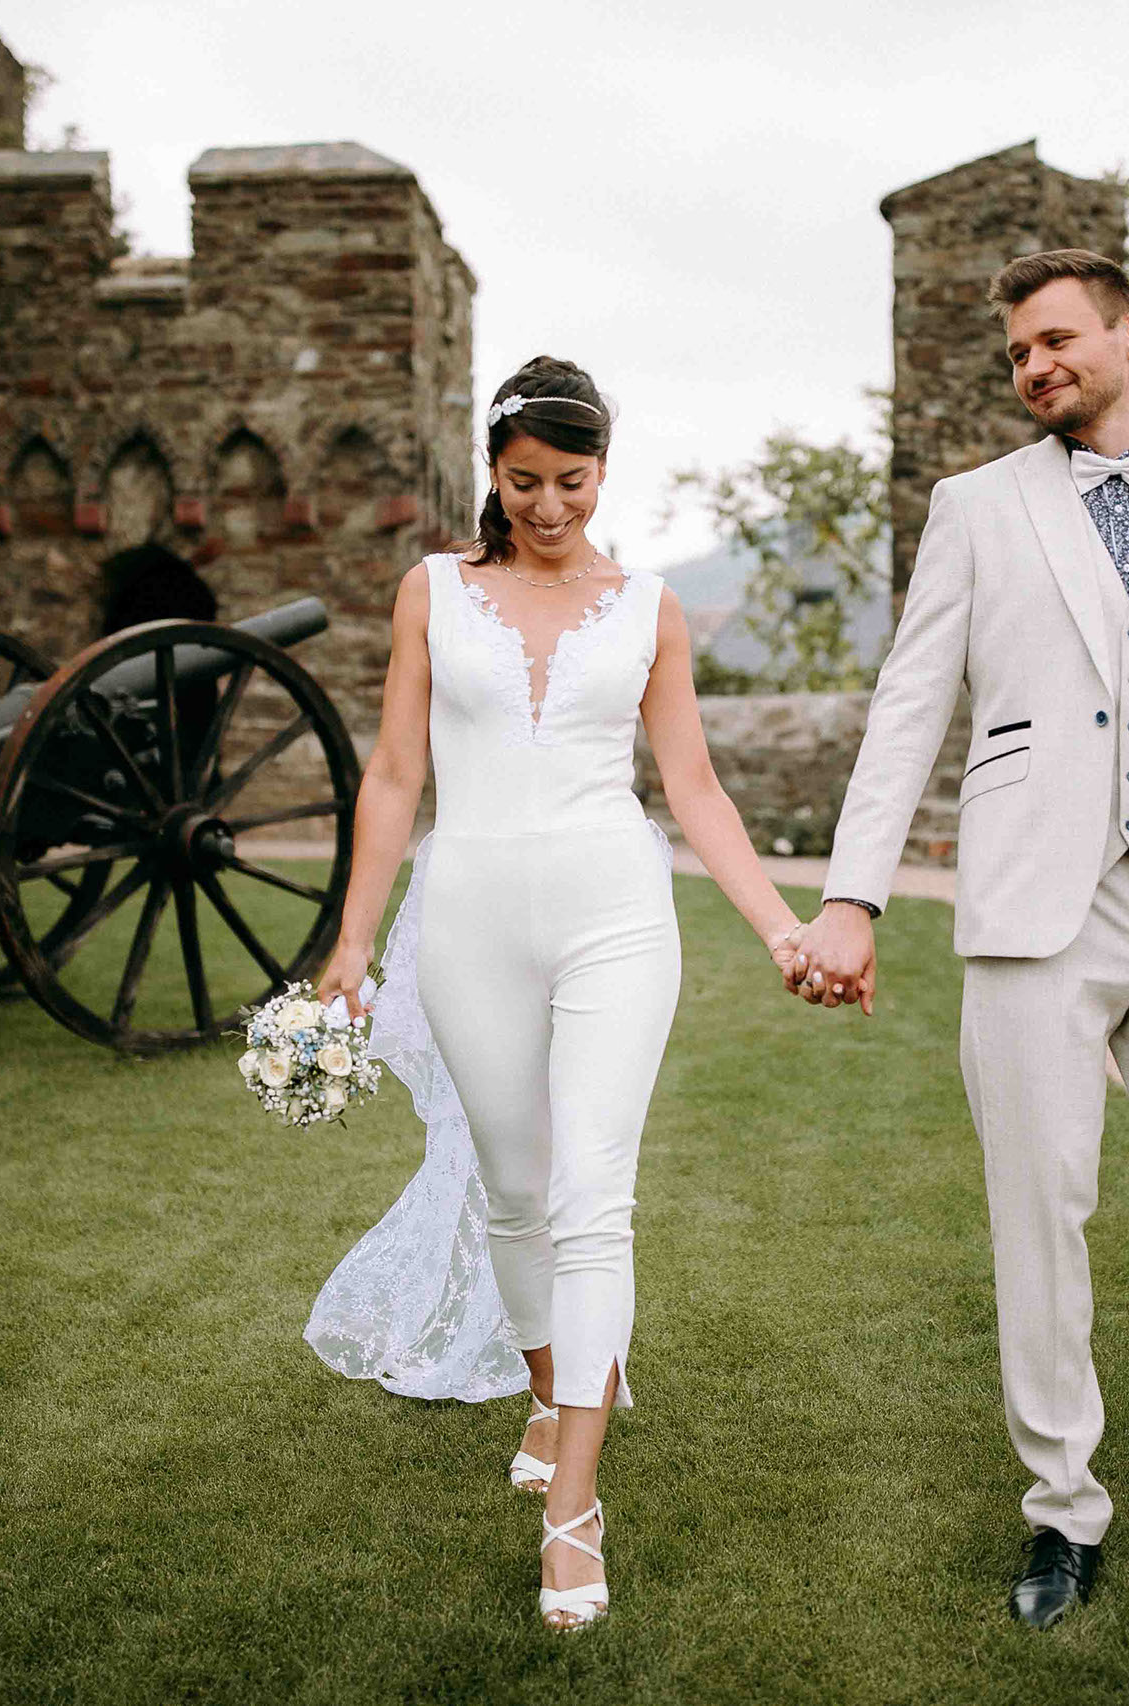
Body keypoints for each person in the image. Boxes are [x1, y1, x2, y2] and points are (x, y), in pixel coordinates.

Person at [782, 250, 1129, 1631]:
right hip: (1029, 903)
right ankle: (1064, 1510)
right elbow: (912, 703)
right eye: (1019, 352)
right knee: (1042, 1214)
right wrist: (854, 892)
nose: (1035, 367)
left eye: (1057, 340)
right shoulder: (975, 508)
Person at [313, 356, 805, 1632]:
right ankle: (550, 1383)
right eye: (523, 481)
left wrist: (777, 925)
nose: (546, 507)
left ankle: (571, 1508)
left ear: (603, 473)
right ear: (492, 471)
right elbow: (393, 774)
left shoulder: (648, 609)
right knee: (515, 1188)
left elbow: (692, 786)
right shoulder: (432, 591)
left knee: (594, 1197)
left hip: (613, 914)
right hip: (468, 914)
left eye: (570, 483)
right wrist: (354, 941)